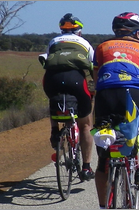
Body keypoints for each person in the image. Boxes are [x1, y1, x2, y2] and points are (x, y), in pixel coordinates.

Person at [91, 12, 139, 208]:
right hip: (133, 93)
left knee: (103, 161)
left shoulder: (102, 47)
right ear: (138, 33)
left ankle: (103, 206)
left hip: (105, 96)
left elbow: (97, 81)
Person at [42, 13, 96, 181]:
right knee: (86, 125)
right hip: (76, 80)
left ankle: (55, 132)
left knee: (54, 101)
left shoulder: (54, 41)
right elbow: (94, 66)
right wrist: (96, 86)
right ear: (78, 31)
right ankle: (86, 167)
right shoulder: (85, 43)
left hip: (52, 80)